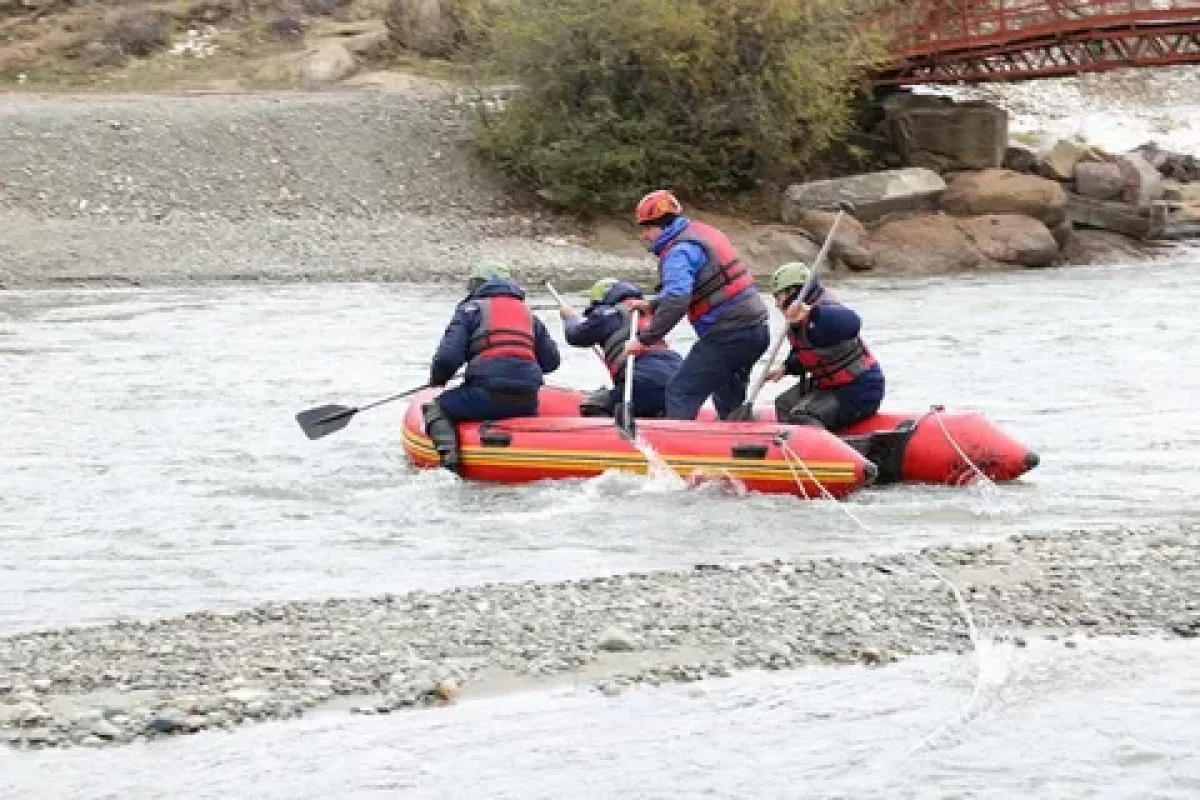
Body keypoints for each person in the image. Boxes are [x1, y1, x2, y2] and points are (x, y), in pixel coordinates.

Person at [623, 189, 770, 420]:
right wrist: (652, 306)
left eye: (647, 228)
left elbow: (677, 299)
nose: (644, 235)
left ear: (662, 226)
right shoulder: (698, 236)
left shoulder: (678, 252)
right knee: (728, 397)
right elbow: (690, 290)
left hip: (727, 335)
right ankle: (735, 443)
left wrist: (644, 340)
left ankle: (674, 450)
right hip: (756, 331)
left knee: (680, 392)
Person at [422, 262, 561, 472]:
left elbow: (447, 358)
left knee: (436, 408)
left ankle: (449, 464)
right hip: (526, 400)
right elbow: (551, 362)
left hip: (486, 394)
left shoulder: (470, 310)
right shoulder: (529, 316)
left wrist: (438, 380)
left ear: (477, 285)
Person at [763, 261, 884, 430]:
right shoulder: (799, 322)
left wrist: (812, 314)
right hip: (830, 386)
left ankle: (817, 451)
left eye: (778, 296)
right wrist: (786, 367)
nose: (776, 304)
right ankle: (794, 445)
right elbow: (811, 353)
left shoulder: (825, 313)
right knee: (784, 404)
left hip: (859, 389)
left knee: (802, 415)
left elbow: (852, 323)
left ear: (793, 293)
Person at [560, 278, 684, 419]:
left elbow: (576, 336)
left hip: (641, 382)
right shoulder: (650, 313)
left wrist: (569, 318)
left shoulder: (609, 314)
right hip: (677, 380)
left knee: (593, 406)